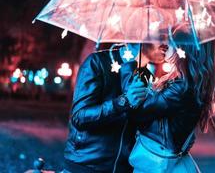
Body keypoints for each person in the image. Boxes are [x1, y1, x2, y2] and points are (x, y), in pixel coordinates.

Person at [120, 29, 215, 172]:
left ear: (183, 49)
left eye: (171, 42)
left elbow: (136, 113)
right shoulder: (187, 84)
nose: (166, 45)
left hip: (156, 161)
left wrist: (129, 65)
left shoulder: (182, 88)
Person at [62, 39, 170, 172]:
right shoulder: (98, 62)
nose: (167, 42)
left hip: (124, 168)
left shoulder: (146, 76)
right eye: (161, 35)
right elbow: (79, 117)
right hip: (87, 165)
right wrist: (123, 101)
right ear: (139, 34)